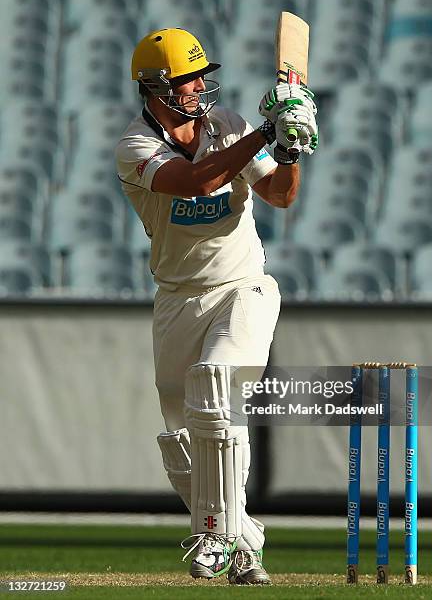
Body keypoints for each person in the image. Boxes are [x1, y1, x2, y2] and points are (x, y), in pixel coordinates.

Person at [115, 28, 318, 585]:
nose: (201, 86)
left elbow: (280, 194)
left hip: (243, 288)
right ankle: (242, 541)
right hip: (178, 299)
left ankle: (216, 537)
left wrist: (289, 148)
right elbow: (193, 181)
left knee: (215, 384)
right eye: (188, 80)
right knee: (183, 442)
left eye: (203, 75)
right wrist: (262, 138)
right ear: (156, 88)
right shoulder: (136, 147)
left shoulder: (226, 124)